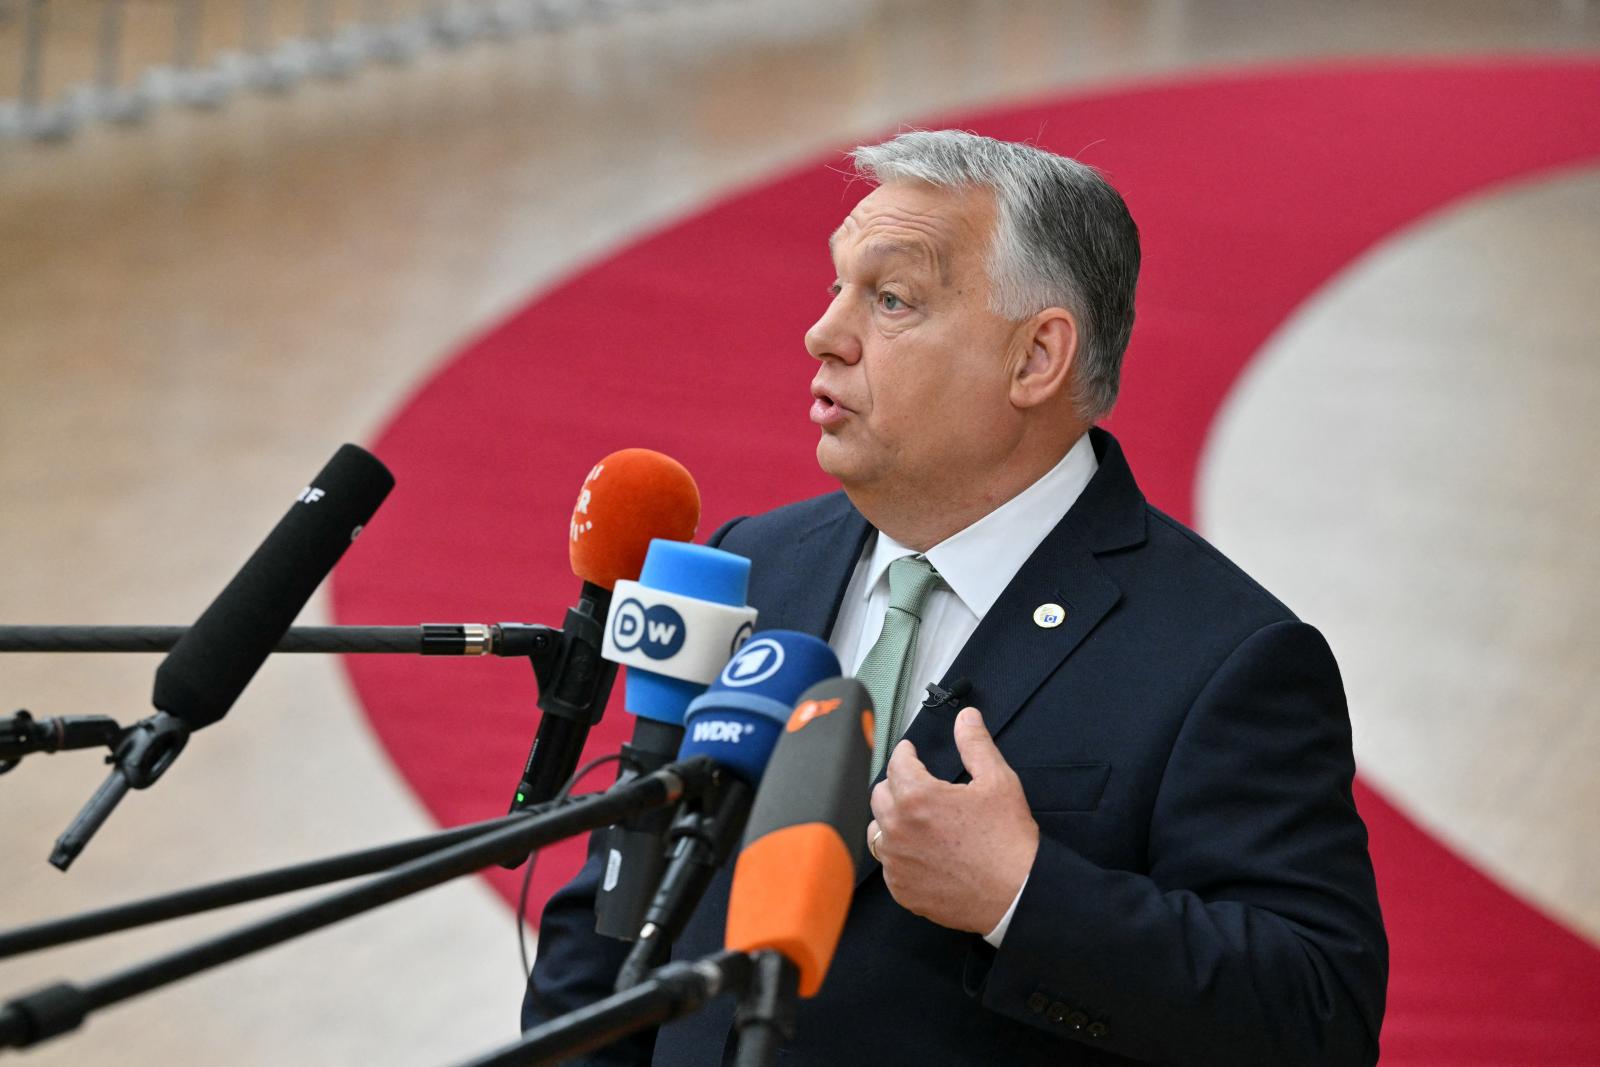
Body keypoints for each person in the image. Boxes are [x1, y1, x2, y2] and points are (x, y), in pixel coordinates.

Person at [525, 130, 1387, 1065]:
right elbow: (611, 919)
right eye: (837, 286)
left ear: (1036, 358)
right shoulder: (755, 564)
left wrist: (1023, 892)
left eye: (891, 299)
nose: (825, 333)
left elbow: (1318, 1014)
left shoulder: (1225, 657)